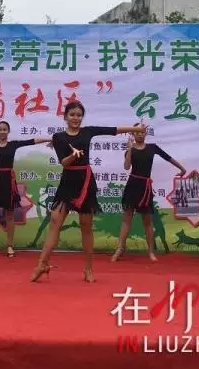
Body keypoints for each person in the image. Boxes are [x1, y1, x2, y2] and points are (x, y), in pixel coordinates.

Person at [30, 101, 146, 283]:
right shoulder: (58, 137)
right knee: (55, 221)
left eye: (79, 115)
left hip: (85, 183)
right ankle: (42, 264)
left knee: (86, 226)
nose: (75, 118)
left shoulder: (88, 132)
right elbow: (64, 163)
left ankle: (88, 269)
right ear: (65, 117)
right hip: (67, 183)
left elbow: (113, 130)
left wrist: (135, 128)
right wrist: (73, 155)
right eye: (72, 114)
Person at [0, 121, 51, 258]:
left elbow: (32, 141)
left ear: (8, 131)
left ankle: (9, 246)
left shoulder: (13, 145)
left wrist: (49, 139)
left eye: (4, 129)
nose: (2, 131)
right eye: (0, 129)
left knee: (10, 215)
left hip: (9, 181)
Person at [111, 125, 185, 262]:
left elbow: (167, 157)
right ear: (133, 134)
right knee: (126, 220)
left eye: (142, 132)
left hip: (145, 188)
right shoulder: (130, 149)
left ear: (145, 133)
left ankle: (151, 252)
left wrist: (182, 168)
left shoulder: (152, 148)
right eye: (137, 132)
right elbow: (126, 167)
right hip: (132, 186)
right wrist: (129, 149)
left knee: (147, 221)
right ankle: (120, 249)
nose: (140, 134)